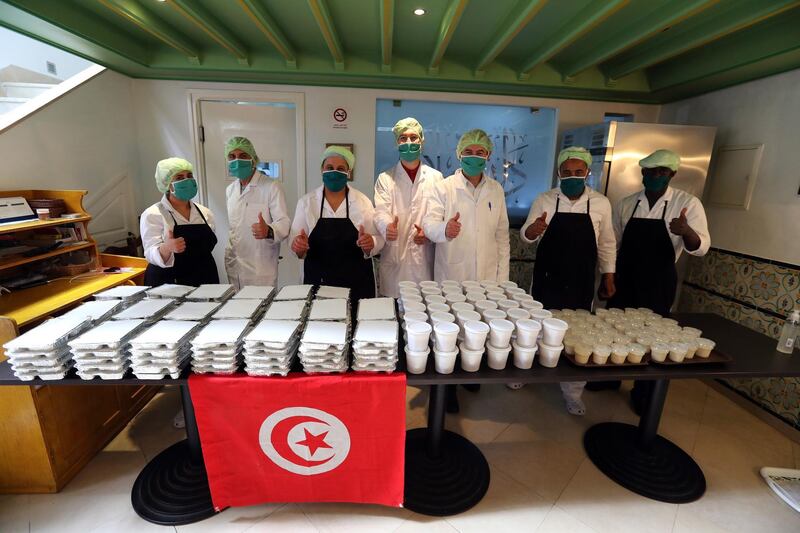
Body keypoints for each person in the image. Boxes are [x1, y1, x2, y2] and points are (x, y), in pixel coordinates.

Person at [608, 148, 710, 413]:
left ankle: (644, 391)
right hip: (625, 277)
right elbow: (614, 243)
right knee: (614, 331)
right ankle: (609, 379)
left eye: (661, 171)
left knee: (654, 339)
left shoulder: (687, 204)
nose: (654, 176)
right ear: (642, 173)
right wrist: (607, 277)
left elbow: (701, 247)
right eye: (650, 171)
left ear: (672, 174)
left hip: (658, 281)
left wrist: (686, 231)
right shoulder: (627, 203)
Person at [517, 146, 617, 415]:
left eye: (578, 171)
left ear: (587, 172)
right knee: (537, 326)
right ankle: (526, 372)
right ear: (559, 172)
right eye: (567, 171)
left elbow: (607, 243)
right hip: (547, 276)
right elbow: (526, 236)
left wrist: (609, 275)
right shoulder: (545, 199)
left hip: (581, 279)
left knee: (579, 336)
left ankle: (572, 393)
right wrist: (532, 230)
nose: (572, 176)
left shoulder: (600, 203)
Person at [289, 145, 384, 301]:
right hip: (318, 283)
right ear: (322, 170)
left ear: (348, 172)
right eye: (329, 167)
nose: (334, 172)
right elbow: (296, 247)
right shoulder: (306, 203)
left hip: (356, 284)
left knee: (355, 323)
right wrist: (298, 246)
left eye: (340, 168)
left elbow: (379, 239)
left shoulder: (362, 202)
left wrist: (371, 243)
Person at [422, 128, 510, 282]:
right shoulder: (443, 188)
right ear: (459, 155)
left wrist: (502, 281)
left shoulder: (496, 190)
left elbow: (502, 237)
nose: (474, 156)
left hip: (487, 279)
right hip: (452, 277)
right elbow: (429, 225)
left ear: (488, 155)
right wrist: (444, 229)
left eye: (480, 152)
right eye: (468, 151)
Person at [374, 117, 443, 297]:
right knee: (394, 316)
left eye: (414, 138)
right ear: (397, 143)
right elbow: (381, 211)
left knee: (425, 318)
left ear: (422, 141)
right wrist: (386, 227)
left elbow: (440, 215)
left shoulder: (436, 178)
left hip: (425, 263)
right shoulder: (385, 178)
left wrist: (429, 234)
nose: (409, 142)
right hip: (395, 263)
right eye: (403, 138)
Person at [224, 136, 291, 289]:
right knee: (237, 311)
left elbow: (284, 222)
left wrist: (268, 230)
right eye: (232, 157)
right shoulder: (230, 190)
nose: (237, 160)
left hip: (261, 269)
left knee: (261, 310)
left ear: (253, 159)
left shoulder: (271, 186)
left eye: (243, 156)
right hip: (235, 266)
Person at [140, 157, 219, 288]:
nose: (186, 180)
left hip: (205, 277)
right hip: (169, 282)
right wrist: (167, 248)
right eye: (179, 178)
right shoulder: (153, 214)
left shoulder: (205, 213)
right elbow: (150, 253)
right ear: (167, 184)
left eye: (189, 176)